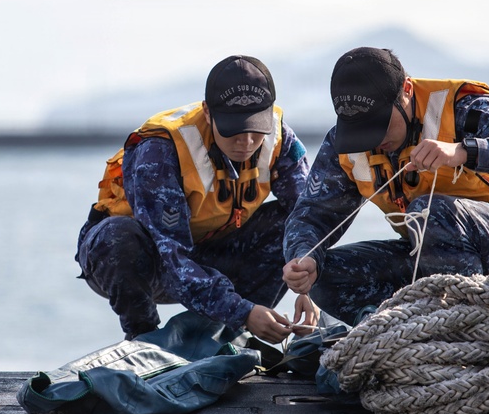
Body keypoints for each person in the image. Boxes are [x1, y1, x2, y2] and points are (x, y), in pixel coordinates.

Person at [282, 46, 489, 326]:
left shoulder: (461, 110)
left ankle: (465, 328)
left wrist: (464, 151)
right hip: (429, 259)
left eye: (378, 123)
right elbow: (312, 214)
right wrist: (303, 257)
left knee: (429, 210)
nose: (372, 139)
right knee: (324, 275)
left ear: (406, 89)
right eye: (360, 128)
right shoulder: (343, 145)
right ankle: (394, 332)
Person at [77, 55, 313, 344]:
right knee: (119, 236)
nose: (246, 142)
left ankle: (230, 338)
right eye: (234, 130)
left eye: (256, 129)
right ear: (208, 112)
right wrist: (241, 311)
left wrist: (307, 284)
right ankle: (145, 340)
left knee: (298, 219)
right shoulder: (160, 150)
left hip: (213, 248)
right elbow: (171, 257)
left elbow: (309, 214)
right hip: (148, 261)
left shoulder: (280, 139)